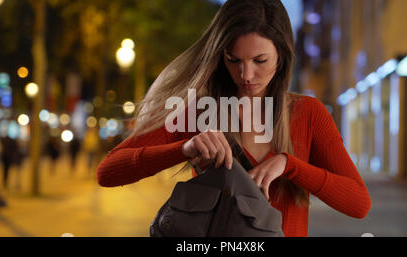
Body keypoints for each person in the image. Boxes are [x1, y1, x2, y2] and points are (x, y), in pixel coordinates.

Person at [97, 0, 371, 237]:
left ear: (282, 54)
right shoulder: (199, 111)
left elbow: (359, 204)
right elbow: (107, 172)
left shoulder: (308, 113)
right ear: (220, 56)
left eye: (259, 60)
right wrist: (184, 148)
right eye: (233, 59)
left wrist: (289, 165)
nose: (246, 75)